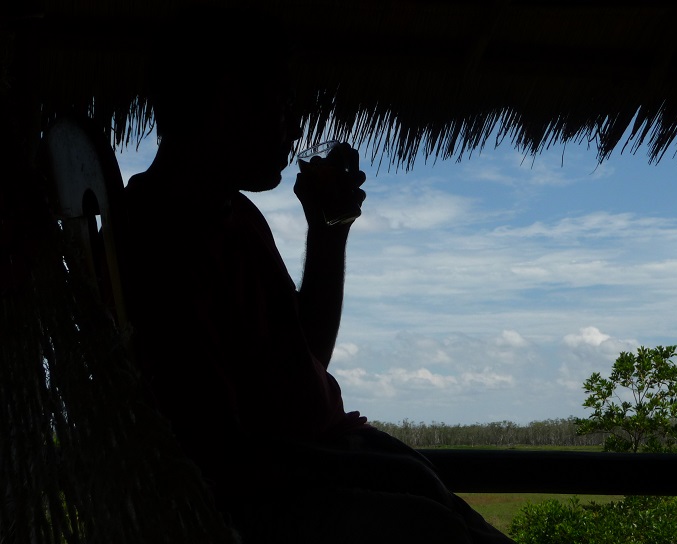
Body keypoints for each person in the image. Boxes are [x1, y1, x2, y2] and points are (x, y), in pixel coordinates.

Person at [124, 8, 513, 543]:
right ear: (230, 97)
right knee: (437, 526)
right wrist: (365, 466)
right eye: (284, 102)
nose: (297, 125)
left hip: (314, 465)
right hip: (262, 503)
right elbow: (215, 450)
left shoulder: (235, 217)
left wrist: (329, 231)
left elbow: (304, 358)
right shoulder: (160, 229)